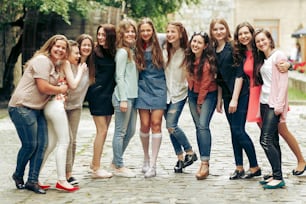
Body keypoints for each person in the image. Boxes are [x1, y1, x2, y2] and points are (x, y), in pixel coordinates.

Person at [233, 22, 306, 177]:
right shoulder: (243, 54)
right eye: (240, 34)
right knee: (269, 135)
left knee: (281, 130)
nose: (244, 36)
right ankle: (275, 170)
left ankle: (301, 160)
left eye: (247, 33)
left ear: (252, 34)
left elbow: (280, 62)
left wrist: (289, 65)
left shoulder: (259, 50)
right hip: (257, 96)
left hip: (271, 94)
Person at [8, 34, 69, 194]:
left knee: (42, 145)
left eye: (63, 48)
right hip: (21, 106)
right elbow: (43, 87)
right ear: (50, 46)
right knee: (31, 145)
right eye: (57, 46)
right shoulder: (43, 60)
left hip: (37, 108)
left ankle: (33, 181)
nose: (60, 50)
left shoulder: (56, 66)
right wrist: (60, 90)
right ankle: (18, 174)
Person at [209, 18, 261, 180]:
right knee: (233, 131)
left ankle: (255, 166)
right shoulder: (213, 50)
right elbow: (218, 78)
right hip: (225, 95)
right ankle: (239, 167)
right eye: (215, 29)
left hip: (240, 94)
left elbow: (239, 73)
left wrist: (235, 99)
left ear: (226, 30)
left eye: (221, 28)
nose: (219, 32)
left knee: (239, 130)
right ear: (212, 32)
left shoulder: (233, 47)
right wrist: (219, 99)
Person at [41, 40, 87, 192]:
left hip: (51, 105)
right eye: (76, 53)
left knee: (52, 143)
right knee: (64, 142)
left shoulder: (60, 63)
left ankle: (36, 176)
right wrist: (80, 71)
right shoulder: (65, 63)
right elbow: (73, 85)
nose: (78, 56)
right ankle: (62, 180)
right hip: (56, 106)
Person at [253, 28, 288, 189]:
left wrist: (279, 106)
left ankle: (279, 177)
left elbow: (283, 84)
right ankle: (276, 174)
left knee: (265, 140)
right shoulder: (263, 59)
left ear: (269, 39)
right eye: (258, 41)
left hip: (274, 104)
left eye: (263, 39)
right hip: (264, 102)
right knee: (273, 140)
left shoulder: (278, 56)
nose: (261, 43)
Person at [163, 22, 197, 174]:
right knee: (170, 129)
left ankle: (190, 152)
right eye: (168, 31)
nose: (169, 34)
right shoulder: (164, 49)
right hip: (165, 94)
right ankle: (180, 158)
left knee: (171, 125)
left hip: (180, 93)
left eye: (173, 32)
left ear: (181, 34)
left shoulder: (187, 52)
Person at [134, 17, 166, 178]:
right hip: (143, 87)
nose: (146, 33)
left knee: (156, 123)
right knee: (145, 124)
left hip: (160, 86)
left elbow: (177, 37)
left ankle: (153, 164)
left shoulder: (161, 40)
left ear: (153, 30)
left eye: (148, 30)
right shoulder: (136, 45)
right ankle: (145, 157)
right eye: (142, 30)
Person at [184, 32, 218, 180]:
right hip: (192, 94)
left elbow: (205, 84)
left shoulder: (207, 63)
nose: (195, 45)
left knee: (203, 126)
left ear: (205, 46)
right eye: (194, 41)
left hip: (207, 95)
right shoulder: (189, 58)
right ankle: (203, 161)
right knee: (199, 127)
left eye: (199, 43)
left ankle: (205, 163)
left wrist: (200, 102)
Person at [87, 24, 116, 179]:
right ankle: (96, 168)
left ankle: (94, 162)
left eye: (104, 35)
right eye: (98, 34)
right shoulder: (94, 52)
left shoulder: (113, 52)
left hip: (109, 95)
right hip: (97, 95)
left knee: (104, 132)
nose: (100, 38)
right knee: (102, 131)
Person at [65, 35, 95, 185]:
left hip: (76, 107)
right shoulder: (70, 64)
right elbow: (72, 85)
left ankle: (68, 173)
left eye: (89, 45)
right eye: (84, 45)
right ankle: (65, 174)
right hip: (62, 106)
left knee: (73, 141)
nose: (86, 48)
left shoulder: (90, 67)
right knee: (67, 140)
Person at [111, 18, 138, 178]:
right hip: (123, 97)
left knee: (131, 131)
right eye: (127, 31)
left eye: (132, 31)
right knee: (120, 132)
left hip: (132, 97)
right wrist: (122, 99)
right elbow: (119, 77)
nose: (130, 34)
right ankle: (119, 165)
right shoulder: (122, 52)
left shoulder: (131, 51)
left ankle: (115, 161)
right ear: (121, 33)